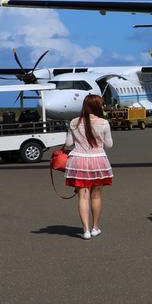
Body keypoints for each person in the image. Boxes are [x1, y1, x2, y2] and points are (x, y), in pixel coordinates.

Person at [64, 94, 114, 238]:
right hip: (97, 161)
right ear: (98, 106)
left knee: (83, 195)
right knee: (96, 195)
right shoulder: (103, 123)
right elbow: (109, 145)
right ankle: (95, 227)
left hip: (78, 160)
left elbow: (68, 143)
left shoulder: (73, 122)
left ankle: (85, 230)